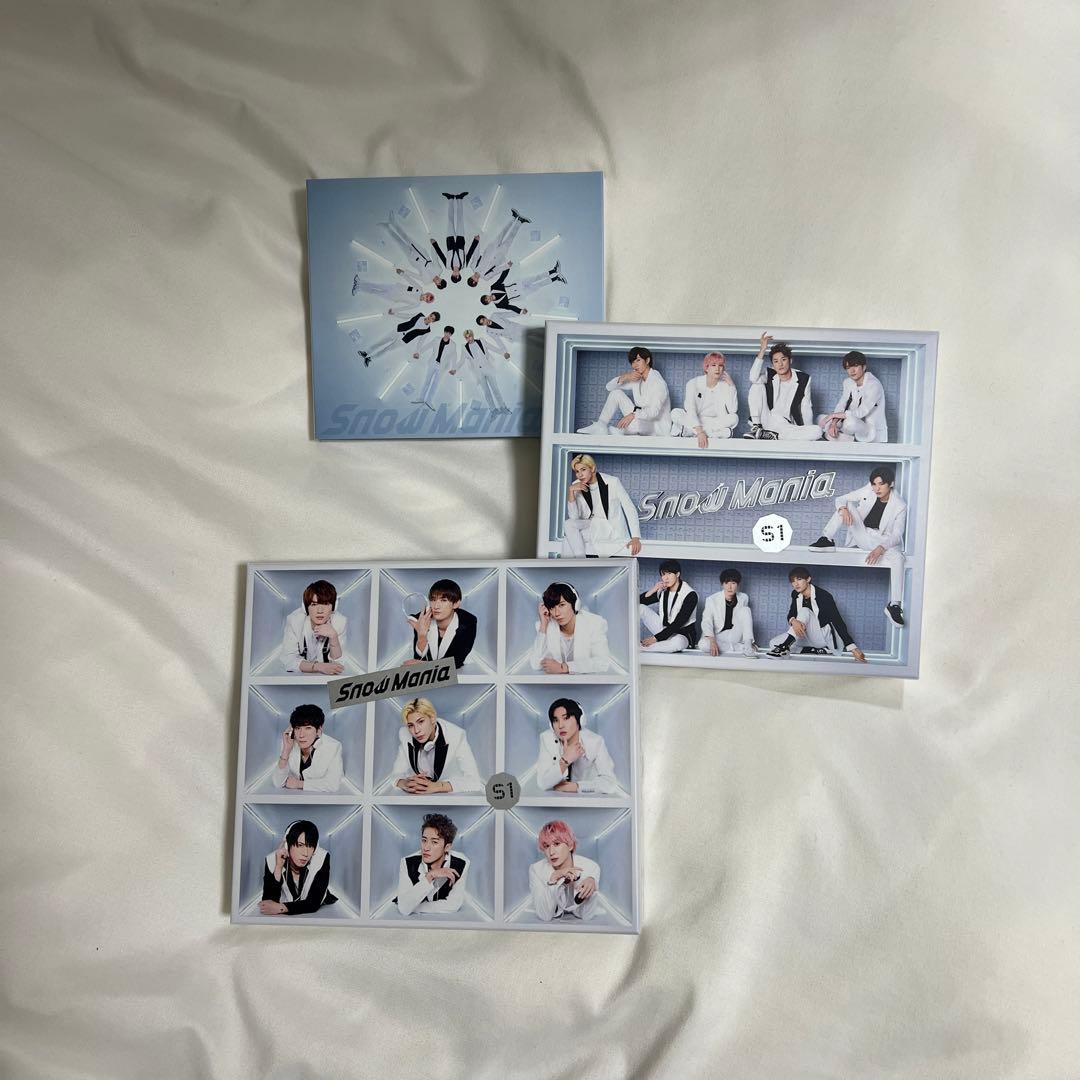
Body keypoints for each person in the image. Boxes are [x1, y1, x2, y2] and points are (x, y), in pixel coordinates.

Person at [809, 465, 908, 626]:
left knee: (898, 558)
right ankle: (827, 538)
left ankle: (894, 605)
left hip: (882, 541)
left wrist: (881, 548)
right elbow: (841, 499)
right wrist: (843, 509)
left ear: (891, 484)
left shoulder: (899, 505)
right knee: (846, 505)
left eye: (881, 484)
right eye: (874, 484)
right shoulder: (869, 490)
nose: (877, 488)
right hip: (863, 534)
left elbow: (897, 535)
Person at [766, 566, 867, 661]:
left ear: (808, 579)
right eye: (793, 581)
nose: (796, 584)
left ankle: (784, 647)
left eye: (799, 579)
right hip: (806, 636)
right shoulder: (795, 594)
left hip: (822, 637)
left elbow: (838, 621)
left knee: (804, 611)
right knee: (773, 643)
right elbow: (791, 613)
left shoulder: (824, 596)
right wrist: (793, 621)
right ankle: (814, 650)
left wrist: (853, 648)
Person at [391, 698, 483, 794]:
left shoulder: (456, 735)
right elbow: (395, 775)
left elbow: (474, 781)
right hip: (415, 797)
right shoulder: (405, 735)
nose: (416, 731)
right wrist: (405, 783)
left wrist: (438, 786)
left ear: (432, 718)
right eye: (410, 725)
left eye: (421, 721)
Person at [576, 345, 671, 437]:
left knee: (636, 423)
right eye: (632, 362)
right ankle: (601, 425)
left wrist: (633, 415)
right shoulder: (637, 378)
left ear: (647, 360)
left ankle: (614, 431)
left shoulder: (658, 383)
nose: (635, 365)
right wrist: (625, 377)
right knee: (616, 393)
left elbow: (653, 412)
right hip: (640, 419)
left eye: (638, 360)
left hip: (656, 426)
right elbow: (609, 387)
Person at [743, 332, 821, 441]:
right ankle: (757, 428)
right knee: (756, 385)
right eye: (776, 361)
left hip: (785, 425)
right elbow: (753, 378)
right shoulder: (770, 374)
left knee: (817, 431)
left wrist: (807, 428)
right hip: (766, 418)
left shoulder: (804, 379)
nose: (780, 364)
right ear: (773, 364)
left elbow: (806, 407)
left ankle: (771, 435)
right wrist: (762, 350)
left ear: (790, 360)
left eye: (783, 359)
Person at [561, 453, 641, 558]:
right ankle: (581, 561)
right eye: (577, 471)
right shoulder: (577, 485)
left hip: (608, 527)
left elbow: (629, 508)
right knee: (568, 524)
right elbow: (574, 517)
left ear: (592, 468)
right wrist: (571, 491)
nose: (580, 475)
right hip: (590, 524)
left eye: (583, 469)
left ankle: (578, 564)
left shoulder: (612, 482)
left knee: (567, 540)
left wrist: (635, 537)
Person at [535, 698, 619, 795]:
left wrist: (577, 787)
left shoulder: (596, 742)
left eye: (566, 718)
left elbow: (610, 783)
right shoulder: (546, 738)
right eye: (555, 720)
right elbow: (542, 783)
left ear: (580, 720)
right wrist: (565, 760)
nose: (560, 725)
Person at [395, 813, 470, 916]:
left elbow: (453, 905)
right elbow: (403, 908)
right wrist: (430, 876)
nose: (426, 848)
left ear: (447, 847)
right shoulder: (407, 862)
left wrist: (414, 907)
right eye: (424, 840)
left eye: (434, 842)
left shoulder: (462, 863)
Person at [530, 582, 612, 674]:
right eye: (552, 608)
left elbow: (602, 663)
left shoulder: (594, 623)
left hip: (586, 682)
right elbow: (536, 664)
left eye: (562, 605)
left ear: (575, 604)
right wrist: (543, 625)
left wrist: (564, 668)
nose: (556, 613)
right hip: (556, 683)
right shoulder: (545, 626)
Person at [259, 820, 337, 916]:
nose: (306, 853)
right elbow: (268, 903)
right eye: (300, 845)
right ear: (287, 845)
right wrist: (278, 867)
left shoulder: (322, 857)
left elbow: (314, 903)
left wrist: (281, 908)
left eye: (310, 846)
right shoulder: (272, 859)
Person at [529, 820, 601, 922]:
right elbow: (544, 916)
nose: (551, 852)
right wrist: (553, 880)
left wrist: (591, 890)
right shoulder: (536, 870)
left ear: (570, 845)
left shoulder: (591, 867)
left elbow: (586, 916)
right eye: (546, 846)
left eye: (557, 844)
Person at [818, 350, 888, 442]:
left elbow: (861, 412)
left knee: (850, 422)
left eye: (855, 366)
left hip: (869, 429)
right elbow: (841, 405)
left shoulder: (874, 385)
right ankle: (847, 438)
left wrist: (832, 416)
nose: (852, 371)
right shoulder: (848, 382)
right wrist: (833, 423)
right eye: (848, 367)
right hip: (850, 426)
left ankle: (839, 437)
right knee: (821, 419)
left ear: (864, 367)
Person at [670, 352, 739, 445]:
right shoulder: (693, 383)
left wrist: (732, 386)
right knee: (675, 413)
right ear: (706, 368)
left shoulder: (725, 386)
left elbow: (733, 410)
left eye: (720, 365)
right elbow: (690, 409)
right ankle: (716, 434)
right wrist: (699, 432)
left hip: (714, 422)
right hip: (695, 419)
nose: (717, 369)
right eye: (713, 365)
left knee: (734, 418)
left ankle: (687, 431)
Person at [405, 578, 477, 669]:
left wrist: (427, 665)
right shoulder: (422, 619)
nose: (436, 606)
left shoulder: (468, 621)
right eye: (433, 600)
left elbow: (457, 660)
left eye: (443, 600)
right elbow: (418, 661)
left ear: (456, 604)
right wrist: (422, 636)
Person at [280, 579, 347, 674]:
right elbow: (288, 659)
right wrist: (318, 667)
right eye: (314, 604)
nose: (320, 610)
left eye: (325, 604)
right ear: (306, 608)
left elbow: (338, 664)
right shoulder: (294, 620)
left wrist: (334, 637)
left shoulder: (340, 622)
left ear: (333, 607)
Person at [273, 704, 344, 792]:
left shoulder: (333, 746)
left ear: (319, 730)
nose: (301, 735)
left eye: (308, 728)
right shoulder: (288, 743)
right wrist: (286, 751)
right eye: (298, 728)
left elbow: (333, 784)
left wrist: (299, 784)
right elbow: (278, 783)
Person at [639, 559, 698, 652]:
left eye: (669, 573)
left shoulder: (690, 594)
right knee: (639, 608)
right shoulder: (663, 591)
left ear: (677, 574)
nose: (666, 578)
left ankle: (641, 648)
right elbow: (638, 601)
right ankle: (659, 645)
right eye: (663, 574)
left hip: (681, 635)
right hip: (664, 630)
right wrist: (654, 589)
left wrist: (655, 638)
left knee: (678, 642)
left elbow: (678, 623)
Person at [699, 568, 756, 657]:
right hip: (719, 635)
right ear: (722, 584)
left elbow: (744, 621)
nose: (730, 587)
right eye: (726, 583)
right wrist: (712, 641)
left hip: (735, 634)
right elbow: (706, 621)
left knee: (746, 610)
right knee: (703, 644)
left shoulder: (743, 598)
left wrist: (747, 640)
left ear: (738, 584)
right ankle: (741, 648)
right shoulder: (712, 600)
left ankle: (748, 645)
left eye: (733, 583)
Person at [353, 311, 440, 368]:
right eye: (431, 315)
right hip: (398, 330)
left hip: (404, 340)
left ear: (433, 321)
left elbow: (421, 341)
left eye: (432, 319)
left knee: (387, 350)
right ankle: (366, 352)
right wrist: (395, 313)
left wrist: (417, 352)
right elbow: (407, 315)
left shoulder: (427, 330)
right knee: (381, 342)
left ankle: (370, 359)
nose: (430, 318)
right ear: (429, 314)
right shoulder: (419, 315)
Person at [456, 330, 510, 414]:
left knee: (495, 389)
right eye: (466, 337)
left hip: (488, 368)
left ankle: (503, 408)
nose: (468, 338)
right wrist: (455, 369)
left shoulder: (481, 341)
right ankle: (493, 410)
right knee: (486, 392)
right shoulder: (464, 347)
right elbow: (461, 360)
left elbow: (492, 348)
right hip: (478, 372)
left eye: (470, 336)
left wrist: (503, 353)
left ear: (473, 335)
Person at [410, 325, 455, 410]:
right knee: (427, 381)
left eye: (449, 333)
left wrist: (453, 368)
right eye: (446, 332)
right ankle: (421, 398)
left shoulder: (453, 345)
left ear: (451, 335)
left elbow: (454, 357)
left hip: (442, 367)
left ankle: (429, 401)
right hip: (432, 363)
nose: (447, 334)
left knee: (435, 384)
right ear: (444, 332)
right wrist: (418, 352)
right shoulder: (436, 339)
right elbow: (427, 346)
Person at [477, 207, 531, 279]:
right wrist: (506, 266)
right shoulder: (485, 277)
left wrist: (476, 242)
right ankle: (520, 221)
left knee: (502, 233)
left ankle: (513, 217)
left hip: (490, 249)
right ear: (477, 282)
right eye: (475, 282)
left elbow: (475, 254)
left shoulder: (474, 267)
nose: (475, 279)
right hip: (499, 256)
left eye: (472, 279)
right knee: (510, 238)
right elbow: (495, 271)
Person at [350, 276, 435, 312]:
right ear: (427, 293)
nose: (425, 298)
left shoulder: (417, 304)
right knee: (377, 285)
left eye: (426, 299)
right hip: (395, 288)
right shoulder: (419, 289)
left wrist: (395, 310)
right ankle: (359, 282)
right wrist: (402, 274)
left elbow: (405, 308)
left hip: (393, 297)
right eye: (426, 296)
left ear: (426, 301)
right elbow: (411, 282)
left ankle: (359, 288)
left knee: (375, 292)